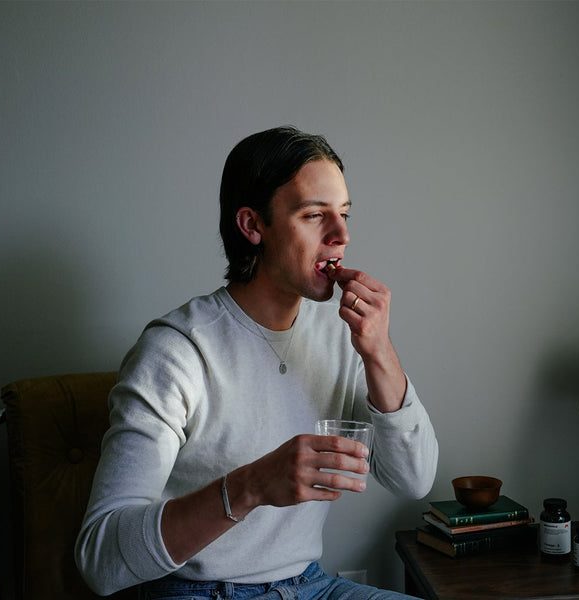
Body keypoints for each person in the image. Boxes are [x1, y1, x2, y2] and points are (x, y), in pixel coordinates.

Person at [75, 126, 439, 599]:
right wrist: (251, 486)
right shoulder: (178, 351)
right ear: (252, 226)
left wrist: (379, 351)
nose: (342, 234)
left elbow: (414, 480)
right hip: (195, 591)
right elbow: (100, 561)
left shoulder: (340, 337)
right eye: (314, 215)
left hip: (310, 586)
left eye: (344, 214)